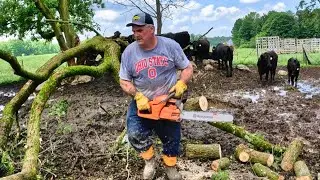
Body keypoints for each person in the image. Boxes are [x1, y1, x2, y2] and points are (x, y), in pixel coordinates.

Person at [119, 12, 193, 180]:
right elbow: (124, 80)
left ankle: (170, 166)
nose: (136, 34)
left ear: (151, 29)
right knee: (134, 133)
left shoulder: (170, 46)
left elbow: (187, 68)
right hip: (143, 102)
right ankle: (150, 161)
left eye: (140, 30)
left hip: (167, 100)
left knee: (172, 139)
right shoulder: (129, 53)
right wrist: (137, 96)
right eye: (134, 31)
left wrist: (182, 83)